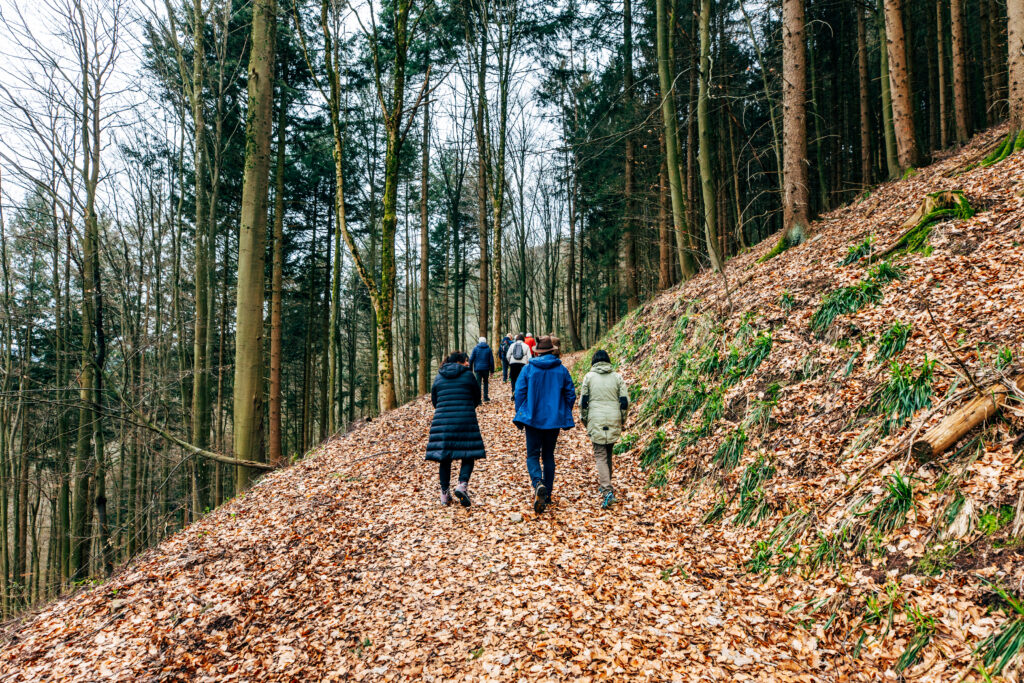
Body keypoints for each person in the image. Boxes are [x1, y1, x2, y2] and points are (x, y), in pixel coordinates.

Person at [513, 335, 576, 514]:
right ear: (552, 352)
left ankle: (537, 483)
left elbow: (519, 393)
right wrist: (561, 411)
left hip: (532, 419)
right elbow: (570, 394)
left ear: (537, 352)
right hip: (553, 421)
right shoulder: (562, 370)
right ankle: (546, 493)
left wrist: (523, 412)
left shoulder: (528, 369)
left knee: (532, 455)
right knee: (548, 456)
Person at [426, 352, 486, 507]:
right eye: (465, 361)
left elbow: (435, 400)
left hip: (443, 422)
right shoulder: (468, 376)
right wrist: (467, 407)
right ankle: (462, 485)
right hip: (465, 419)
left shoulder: (439, 376)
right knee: (469, 452)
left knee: (445, 457)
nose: (468, 364)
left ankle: (445, 494)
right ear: (459, 362)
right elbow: (476, 397)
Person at [580, 350, 629, 508]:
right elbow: (625, 401)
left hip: (596, 418)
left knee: (600, 455)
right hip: (614, 417)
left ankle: (607, 491)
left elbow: (583, 402)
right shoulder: (617, 377)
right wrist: (622, 419)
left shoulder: (589, 377)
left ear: (594, 361)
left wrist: (585, 419)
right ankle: (606, 484)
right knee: (608, 452)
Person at [469, 336, 495, 401]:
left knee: (478, 384)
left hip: (477, 369)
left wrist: (470, 369)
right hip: (486, 369)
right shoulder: (488, 349)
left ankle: (479, 399)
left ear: (479, 341)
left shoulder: (475, 349)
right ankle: (485, 397)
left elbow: (471, 359)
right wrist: (492, 371)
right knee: (485, 382)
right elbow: (491, 361)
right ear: (485, 341)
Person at [506, 333, 530, 401]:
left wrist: (510, 362)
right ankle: (522, 395)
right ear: (523, 339)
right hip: (523, 365)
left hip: (513, 364)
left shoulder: (512, 345)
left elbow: (508, 355)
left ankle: (513, 394)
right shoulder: (526, 346)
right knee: (522, 380)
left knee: (513, 380)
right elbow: (530, 357)